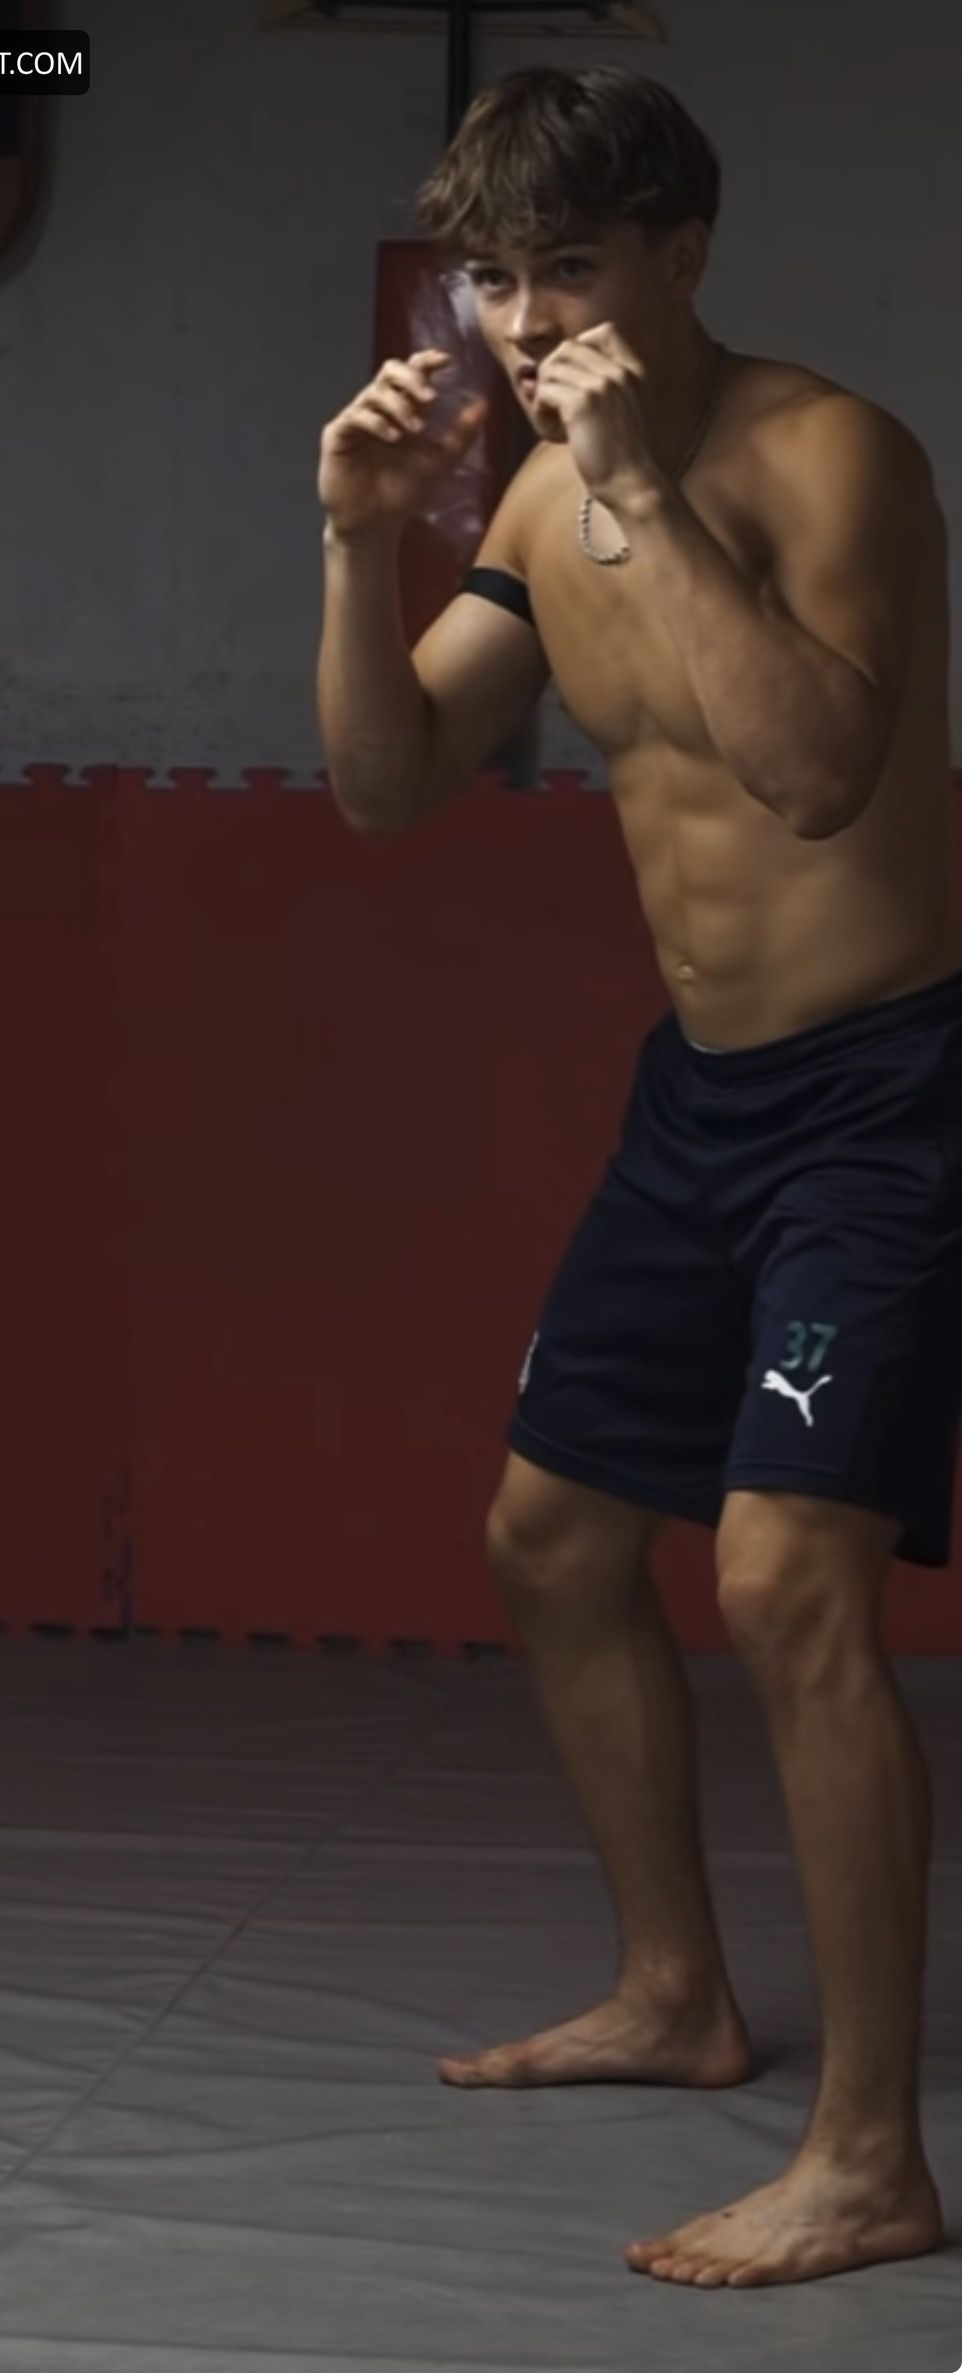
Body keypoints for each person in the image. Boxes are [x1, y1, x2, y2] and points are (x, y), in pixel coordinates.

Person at [315, 64, 962, 2288]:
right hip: (702, 1100)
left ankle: (866, 2153)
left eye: (570, 268)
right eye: (495, 277)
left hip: (891, 1089)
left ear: (682, 255)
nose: (523, 320)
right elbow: (390, 783)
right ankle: (678, 1991)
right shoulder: (521, 499)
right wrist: (357, 535)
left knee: (786, 1580)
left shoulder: (832, 453)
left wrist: (636, 493)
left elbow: (814, 773)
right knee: (554, 1534)